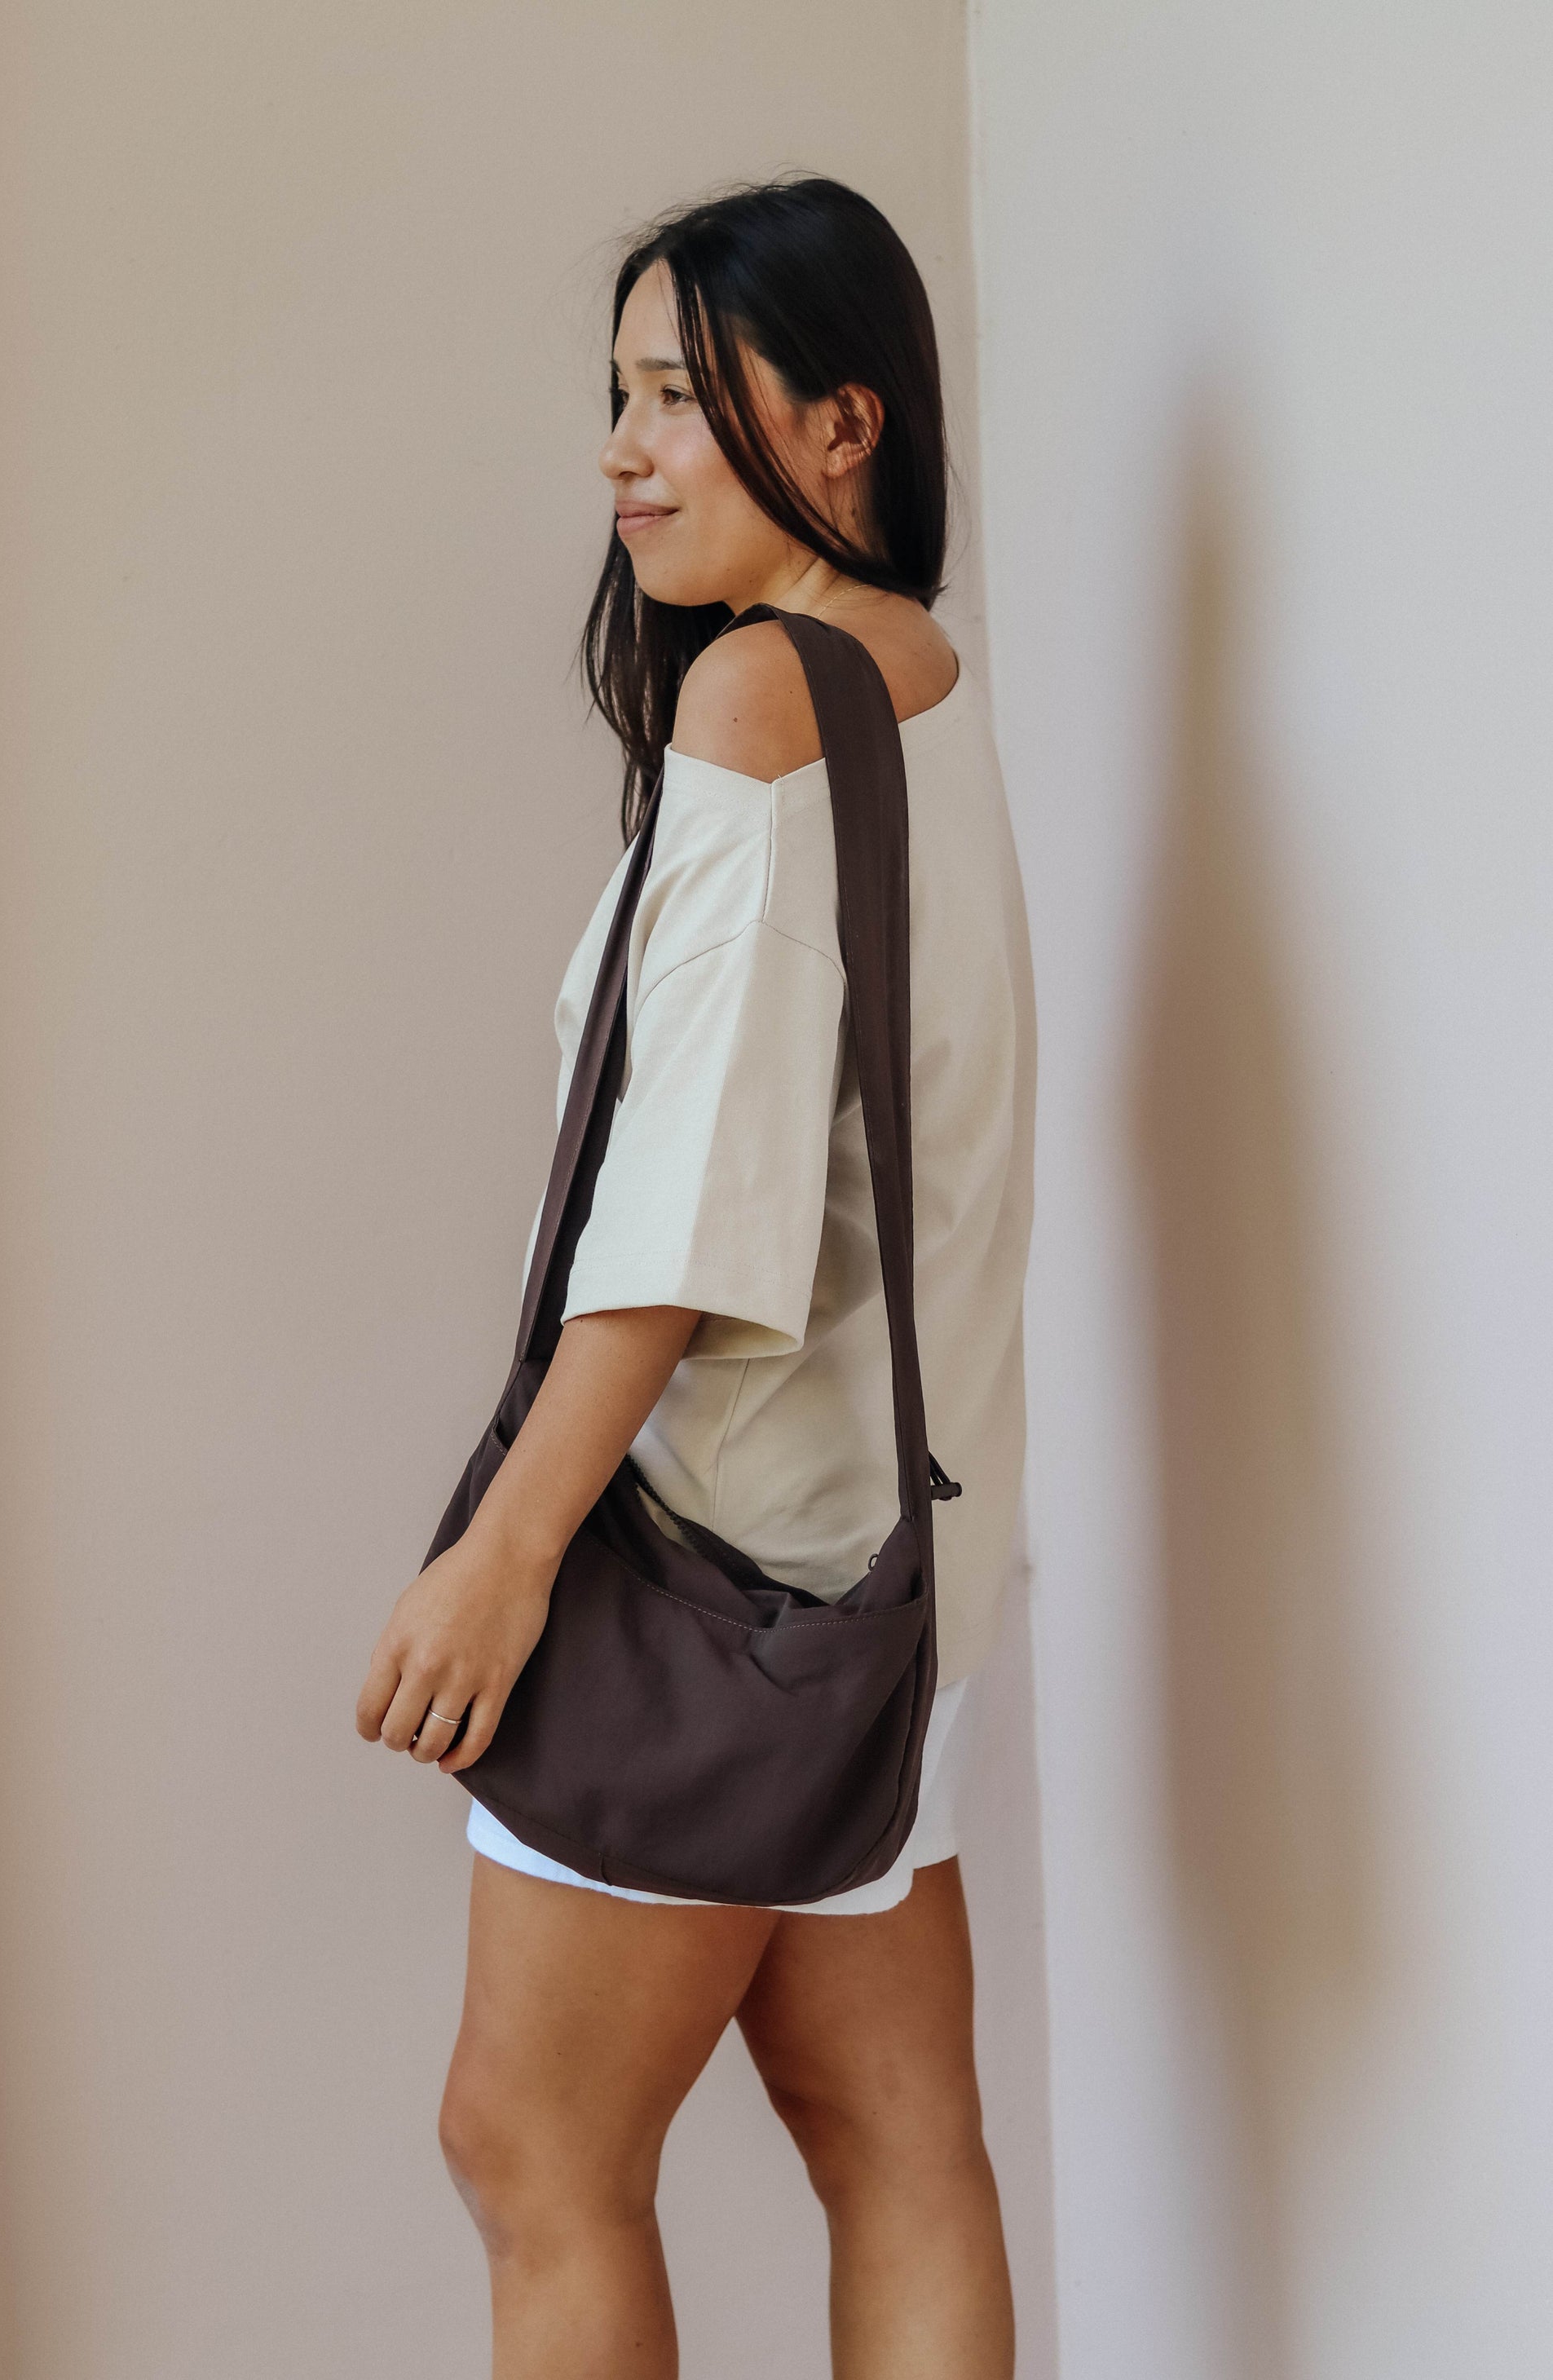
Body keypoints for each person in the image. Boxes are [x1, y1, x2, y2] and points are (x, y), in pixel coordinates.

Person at [356, 174, 1035, 2380]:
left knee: (531, 2151)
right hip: (895, 1570)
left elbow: (689, 1214)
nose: (622, 451)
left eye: (676, 395)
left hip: (717, 1564)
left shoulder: (761, 697)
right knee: (893, 2136)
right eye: (622, 394)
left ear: (842, 422)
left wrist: (506, 1551)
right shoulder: (915, 677)